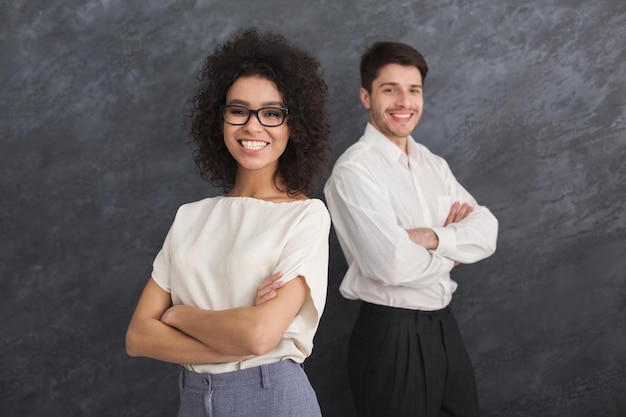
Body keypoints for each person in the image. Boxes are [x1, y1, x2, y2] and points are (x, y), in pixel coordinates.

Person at [125, 28, 331, 417]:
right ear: (219, 121)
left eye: (272, 113)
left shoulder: (306, 216)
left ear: (295, 126)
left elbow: (259, 334)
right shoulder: (189, 218)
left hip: (273, 397)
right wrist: (233, 337)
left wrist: (178, 315)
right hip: (193, 400)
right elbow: (138, 336)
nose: (253, 127)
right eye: (239, 110)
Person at [323, 41, 498, 417]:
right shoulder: (354, 171)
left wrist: (432, 238)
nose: (404, 102)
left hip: (445, 327)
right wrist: (453, 256)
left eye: (413, 90)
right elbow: (392, 266)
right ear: (366, 97)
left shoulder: (433, 164)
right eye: (390, 89)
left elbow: (487, 230)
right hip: (391, 337)